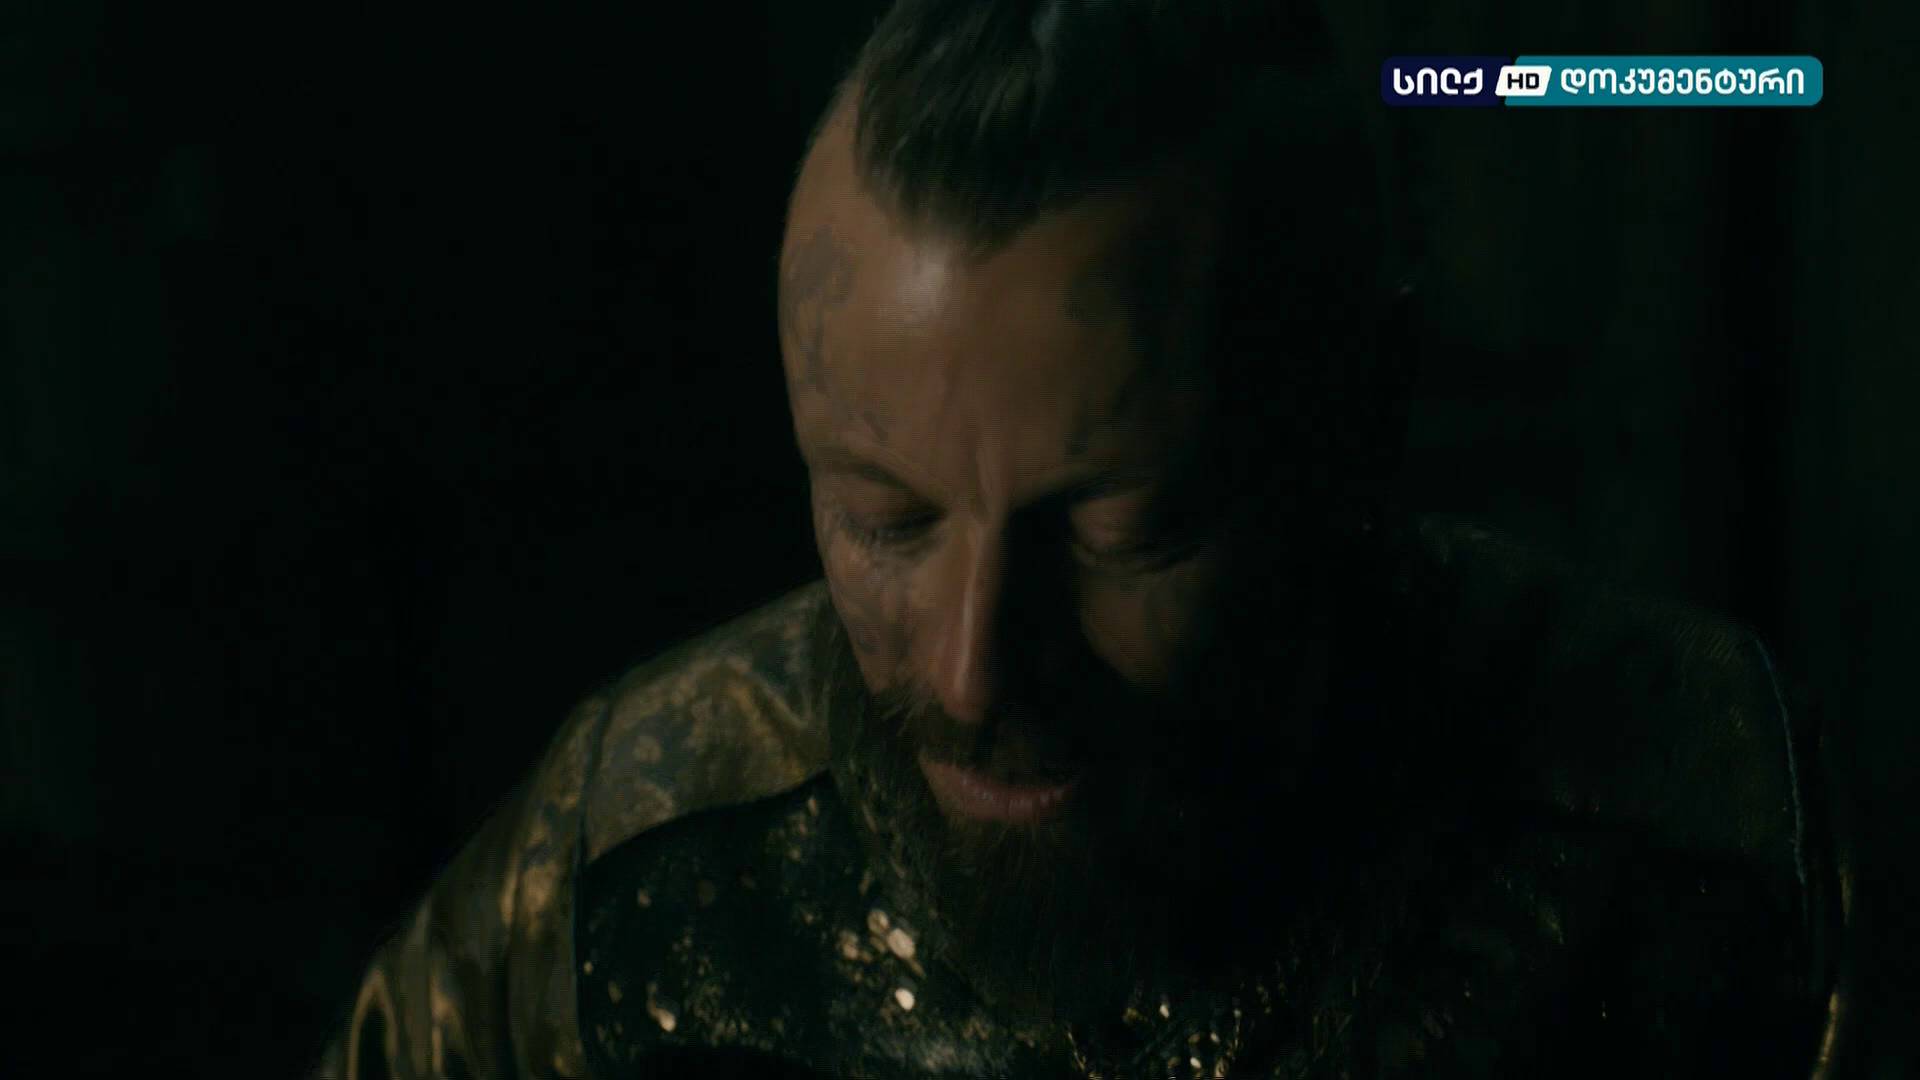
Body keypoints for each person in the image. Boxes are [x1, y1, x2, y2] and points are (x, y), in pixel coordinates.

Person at [313, 1, 1844, 1076]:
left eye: (1127, 535)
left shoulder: (1708, 855)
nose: (973, 671)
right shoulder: (626, 877)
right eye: (886, 519)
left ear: (1360, 420)